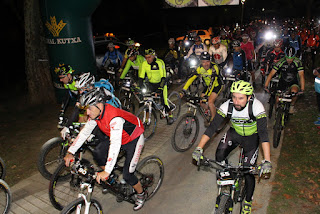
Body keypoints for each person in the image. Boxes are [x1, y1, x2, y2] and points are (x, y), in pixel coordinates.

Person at [192, 80, 272, 214]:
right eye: (234, 97)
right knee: (219, 156)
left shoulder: (257, 107)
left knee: (249, 172)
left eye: (240, 98)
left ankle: (247, 200)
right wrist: (199, 148)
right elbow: (212, 128)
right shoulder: (227, 106)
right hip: (234, 134)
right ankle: (226, 180)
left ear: (249, 97)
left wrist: (267, 160)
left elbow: (264, 135)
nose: (236, 101)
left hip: (252, 138)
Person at [63, 88, 146, 211]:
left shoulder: (114, 118)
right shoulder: (96, 115)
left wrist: (106, 170)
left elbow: (115, 144)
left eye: (90, 108)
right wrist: (70, 151)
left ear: (99, 105)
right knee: (98, 152)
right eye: (86, 109)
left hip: (134, 139)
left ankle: (141, 194)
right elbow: (85, 133)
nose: (87, 113)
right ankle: (112, 179)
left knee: (128, 174)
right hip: (119, 136)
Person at [181, 51, 223, 122]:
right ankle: (208, 110)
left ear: (210, 61)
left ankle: (214, 120)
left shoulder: (214, 68)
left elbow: (213, 82)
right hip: (208, 85)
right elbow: (191, 78)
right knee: (201, 101)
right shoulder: (200, 68)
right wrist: (183, 90)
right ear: (201, 62)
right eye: (203, 62)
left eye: (207, 61)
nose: (205, 64)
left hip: (217, 85)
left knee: (210, 102)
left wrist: (207, 95)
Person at [264, 47, 305, 114]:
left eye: (291, 58)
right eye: (287, 58)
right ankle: (277, 114)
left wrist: (302, 89)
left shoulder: (298, 62)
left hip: (293, 82)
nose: (289, 60)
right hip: (282, 82)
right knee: (277, 99)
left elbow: (301, 76)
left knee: (294, 93)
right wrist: (266, 86)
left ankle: (292, 106)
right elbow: (271, 74)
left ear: (294, 57)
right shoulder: (281, 61)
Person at [138, 49, 174, 125]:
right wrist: (139, 87)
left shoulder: (159, 62)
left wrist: (160, 88)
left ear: (153, 56)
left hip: (161, 83)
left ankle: (170, 115)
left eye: (149, 57)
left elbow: (163, 77)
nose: (147, 59)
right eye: (146, 57)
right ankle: (147, 119)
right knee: (147, 100)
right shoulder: (144, 63)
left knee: (164, 101)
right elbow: (141, 77)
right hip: (151, 83)